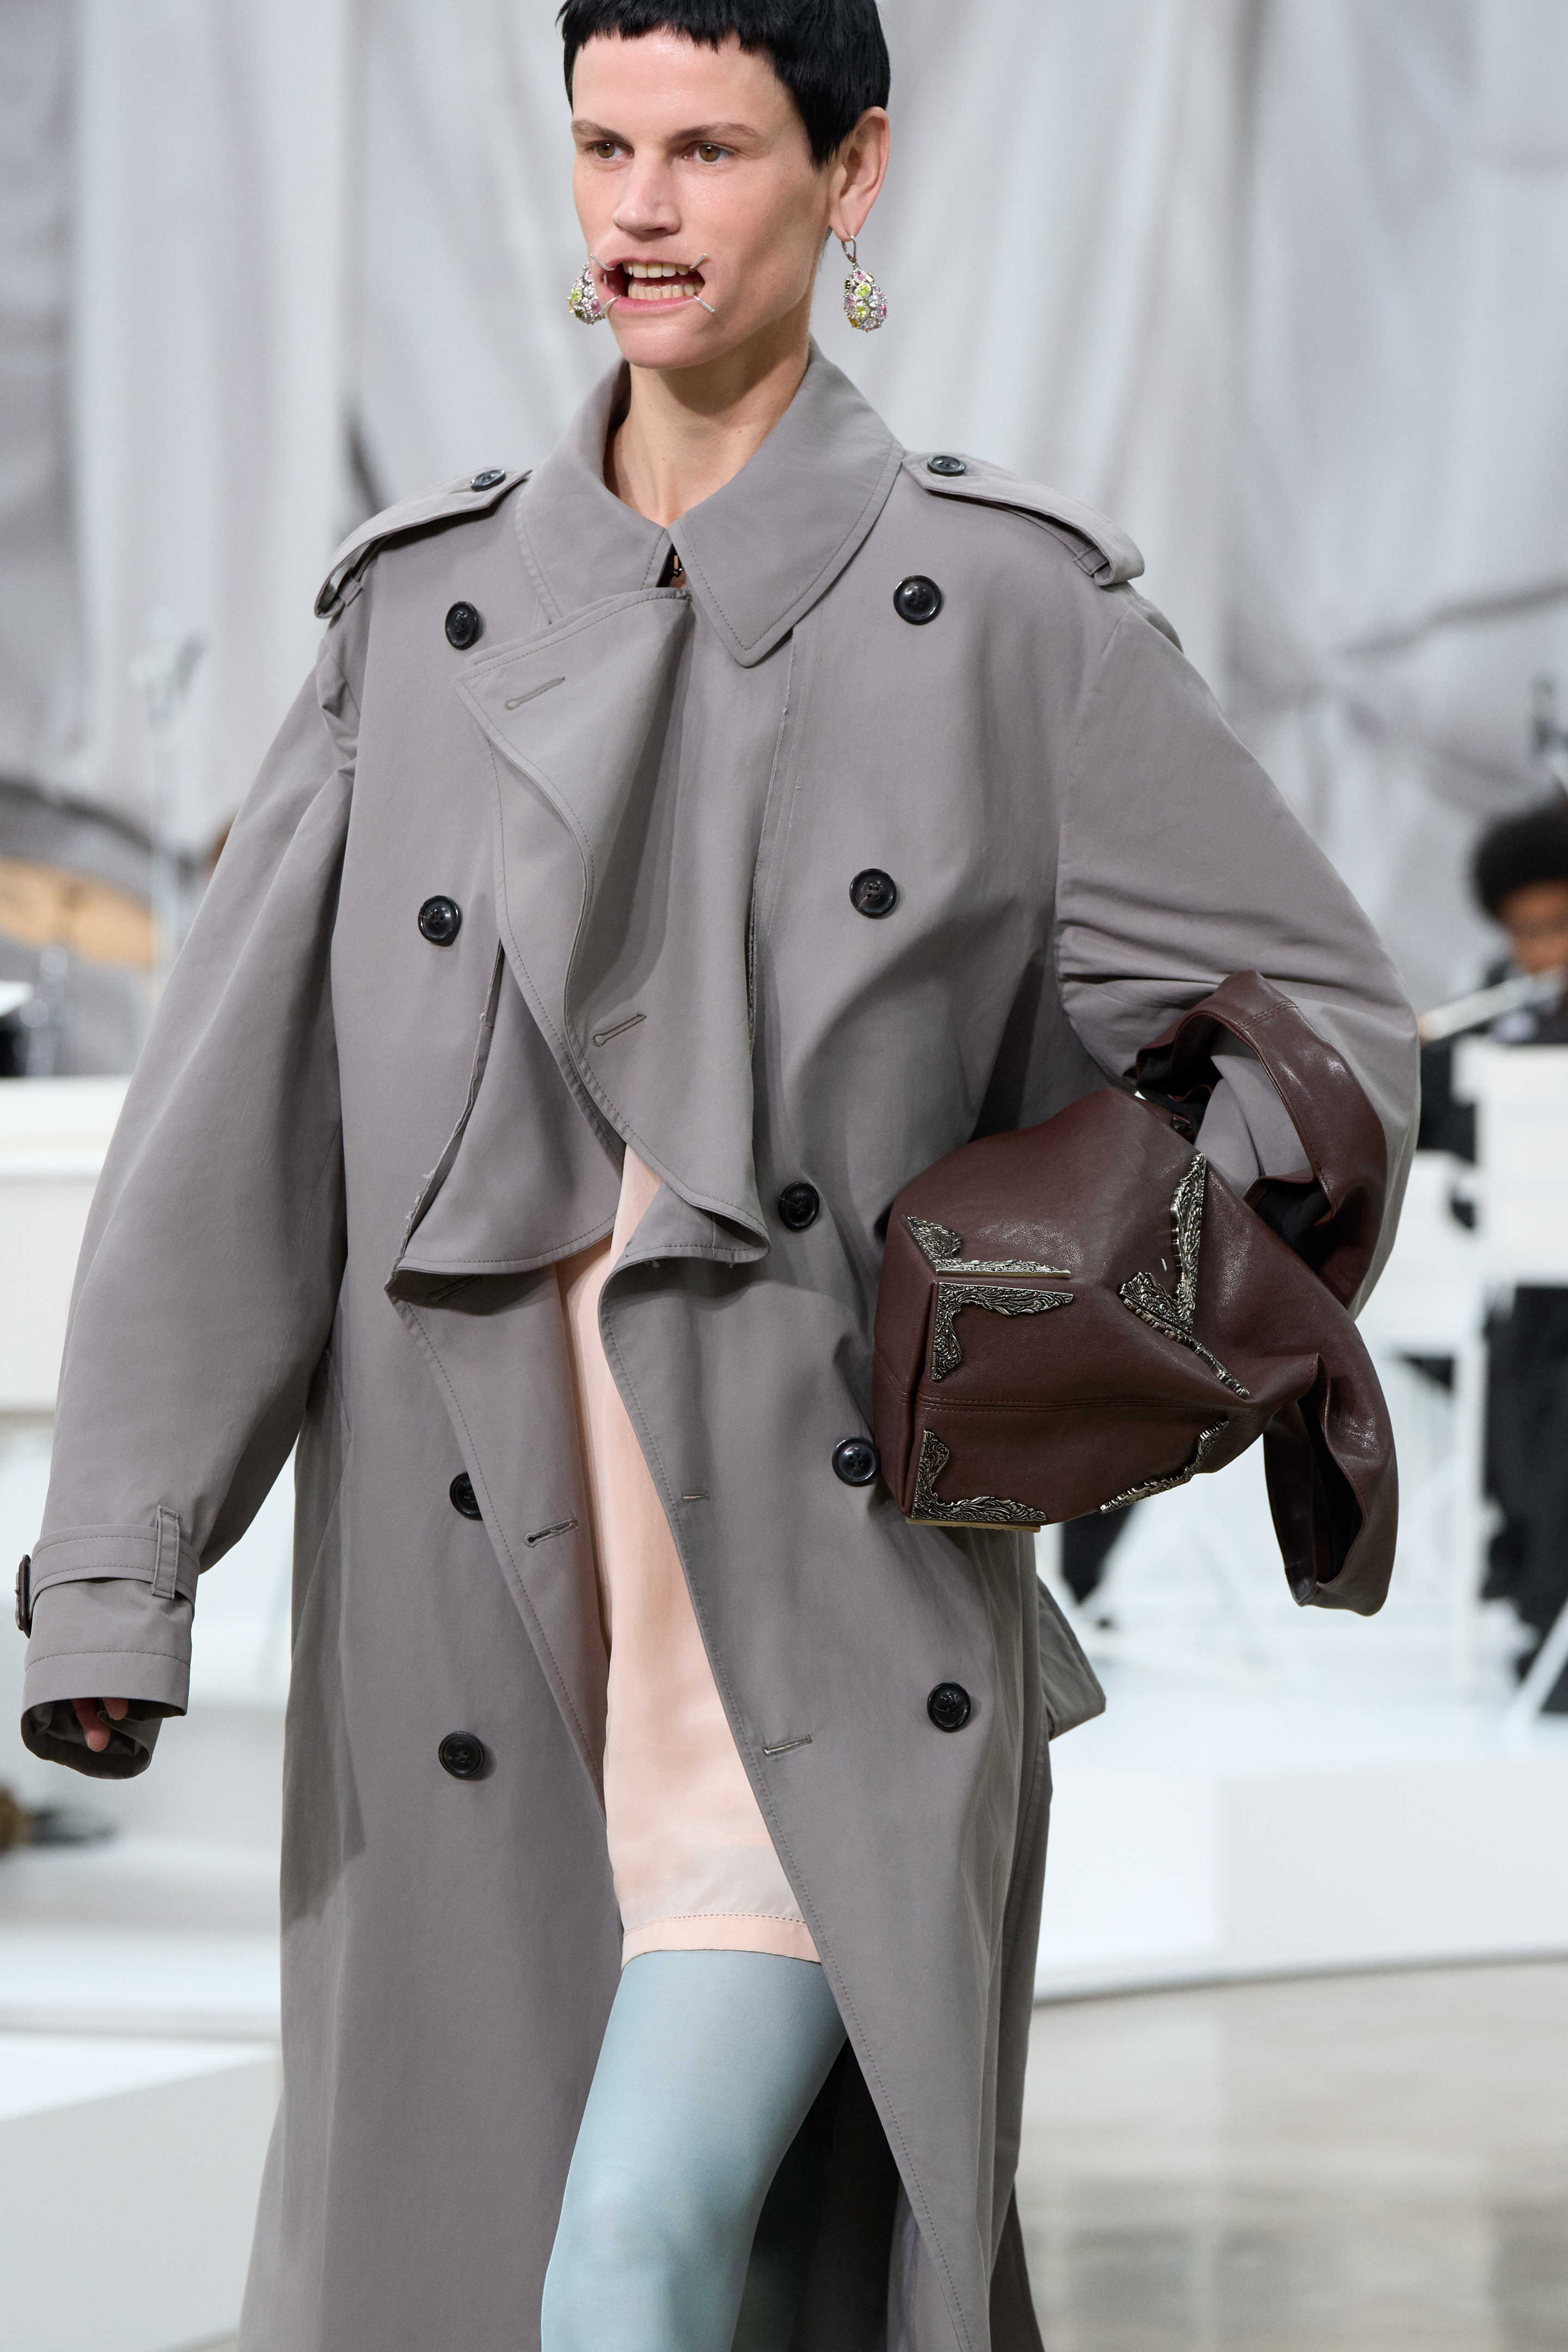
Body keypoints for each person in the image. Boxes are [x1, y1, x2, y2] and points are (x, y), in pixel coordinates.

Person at [14, 5, 1418, 2347]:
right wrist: (118, 1588)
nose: (641, 212)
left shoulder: (1010, 617)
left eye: (711, 150)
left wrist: (1047, 1280)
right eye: (601, 146)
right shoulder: (418, 622)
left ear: (853, 175)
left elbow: (1319, 1032)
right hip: (471, 1589)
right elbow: (223, 1152)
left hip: (823, 1587)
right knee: (486, 2272)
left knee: (639, 2246)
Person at [1420, 798, 1568, 1710]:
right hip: (1520, 1280)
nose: (1541, 953)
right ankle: (1537, 1594)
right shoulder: (1486, 1016)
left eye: (1558, 926)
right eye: (1526, 933)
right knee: (1526, 1372)